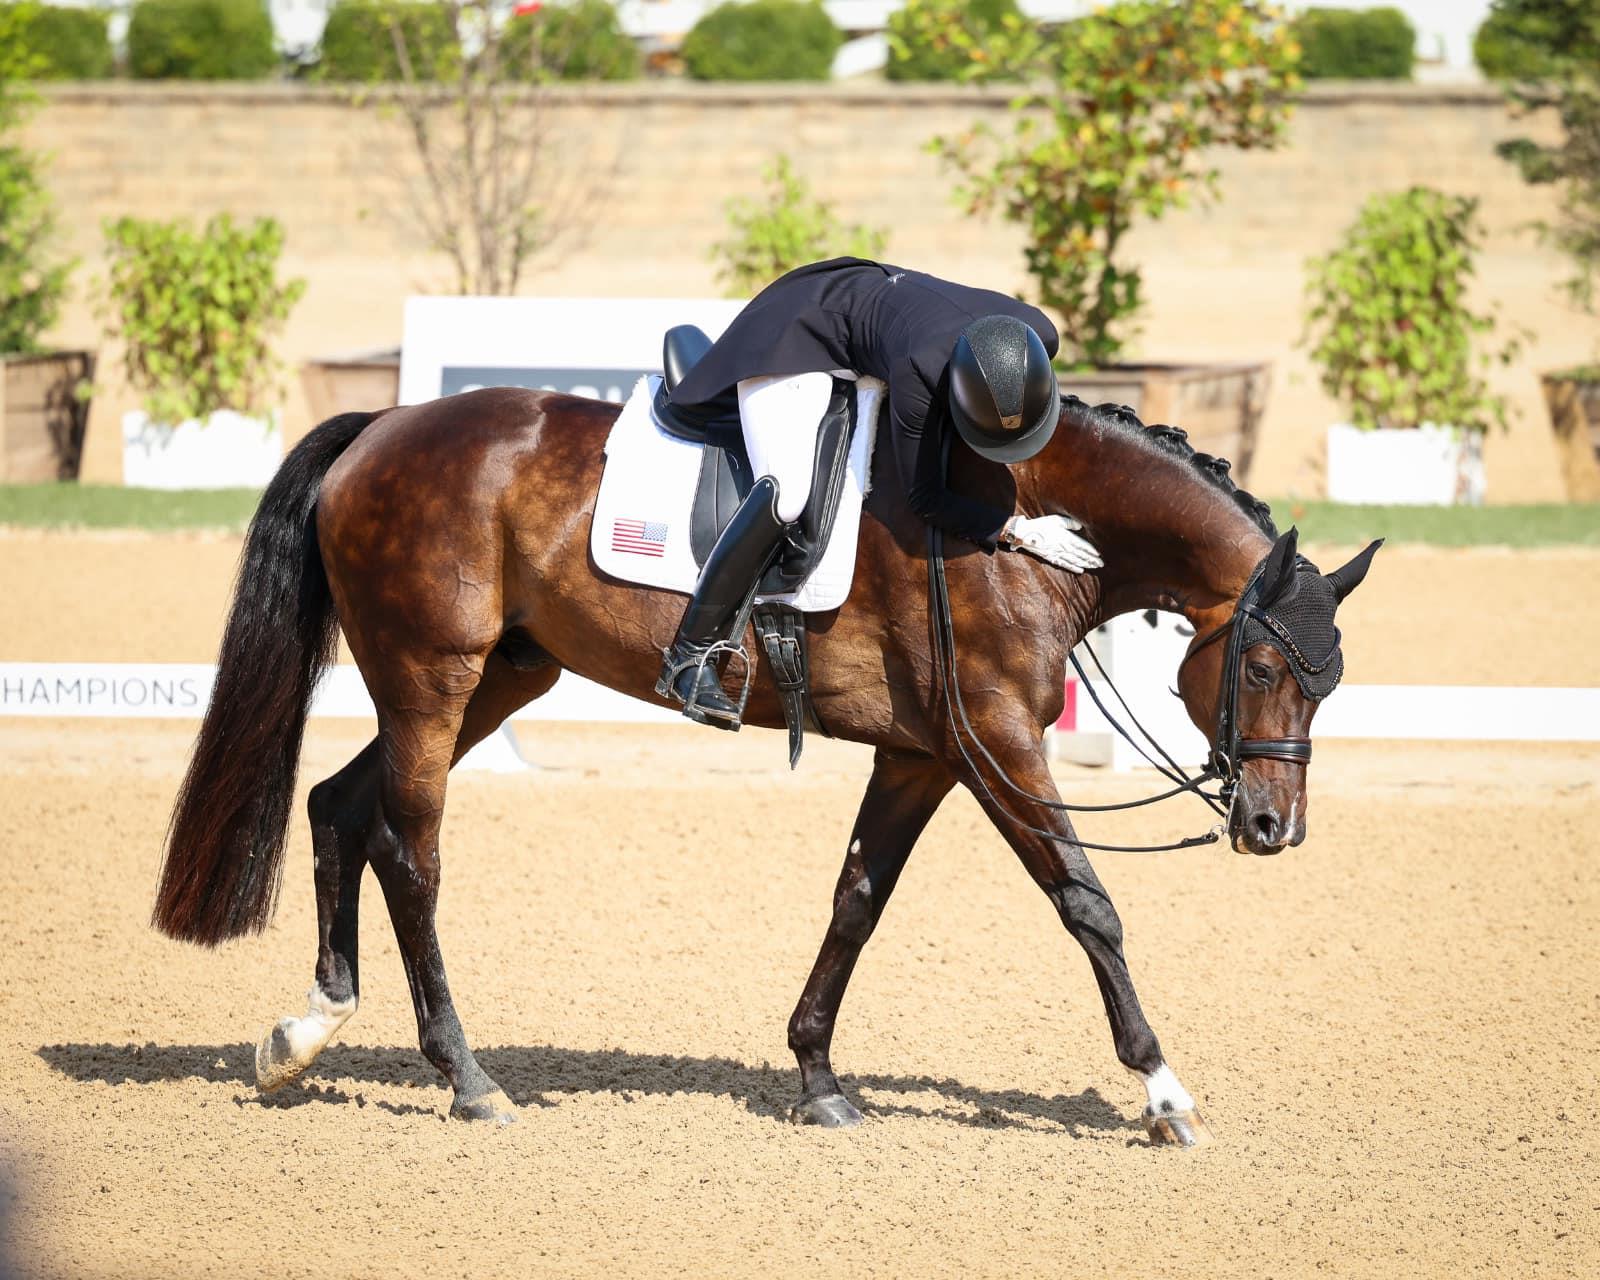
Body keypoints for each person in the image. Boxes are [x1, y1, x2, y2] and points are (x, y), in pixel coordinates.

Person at [655, 257, 1101, 728]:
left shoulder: (1039, 333)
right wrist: (1014, 530)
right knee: (786, 494)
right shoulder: (919, 373)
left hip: (872, 298)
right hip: (796, 332)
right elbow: (925, 498)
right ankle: (690, 654)